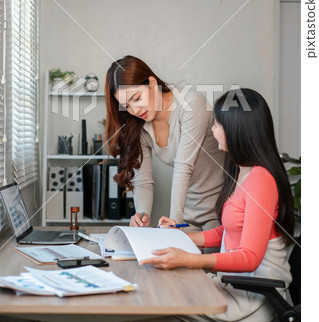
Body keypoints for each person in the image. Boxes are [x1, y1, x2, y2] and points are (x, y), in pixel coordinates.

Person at [141, 88, 295, 322]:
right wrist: (179, 238)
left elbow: (250, 257)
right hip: (234, 285)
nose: (212, 130)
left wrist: (188, 259)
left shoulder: (261, 180)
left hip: (251, 295)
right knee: (157, 297)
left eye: (216, 124)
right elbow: (232, 230)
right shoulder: (243, 172)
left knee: (158, 305)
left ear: (236, 129)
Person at [105, 55, 224, 231]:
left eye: (136, 98)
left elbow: (183, 167)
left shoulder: (191, 104)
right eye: (126, 106)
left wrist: (173, 222)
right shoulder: (140, 126)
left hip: (220, 209)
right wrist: (142, 215)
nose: (135, 110)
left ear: (152, 83)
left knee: (209, 256)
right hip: (189, 212)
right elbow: (143, 180)